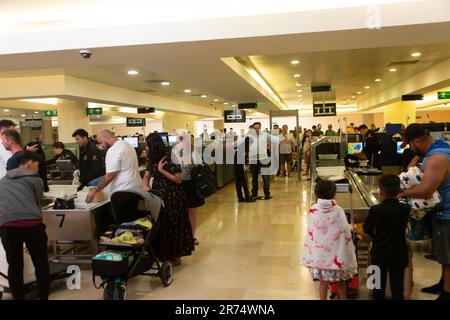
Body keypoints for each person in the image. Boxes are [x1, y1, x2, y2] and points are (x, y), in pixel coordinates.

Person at [401, 123, 450, 300]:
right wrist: (416, 155)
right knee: (444, 255)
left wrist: (402, 192)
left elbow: (425, 190)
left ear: (418, 140)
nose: (411, 149)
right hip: (441, 211)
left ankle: (447, 293)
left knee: (448, 256)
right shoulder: (438, 149)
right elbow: (410, 172)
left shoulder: (436, 158)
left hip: (447, 213)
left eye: (411, 145)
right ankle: (443, 283)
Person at [0, 151, 50, 300]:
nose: (37, 169)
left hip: (7, 225)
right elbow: (38, 203)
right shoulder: (36, 179)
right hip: (31, 224)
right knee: (41, 263)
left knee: (14, 266)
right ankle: (43, 297)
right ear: (29, 164)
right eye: (37, 166)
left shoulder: (2, 180)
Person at [142, 133, 194, 265]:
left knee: (174, 225)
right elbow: (147, 175)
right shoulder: (152, 157)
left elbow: (178, 179)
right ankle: (164, 254)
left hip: (173, 195)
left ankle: (176, 256)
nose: (146, 148)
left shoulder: (171, 155)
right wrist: (145, 185)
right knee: (162, 225)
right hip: (158, 195)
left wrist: (161, 171)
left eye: (148, 145)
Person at [301, 179, 358, 300]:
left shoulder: (313, 210)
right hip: (338, 256)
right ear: (333, 193)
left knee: (323, 283)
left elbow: (312, 234)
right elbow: (345, 232)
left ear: (317, 193)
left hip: (321, 258)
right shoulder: (338, 210)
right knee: (341, 283)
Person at [363, 174, 410, 300]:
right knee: (397, 289)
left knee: (377, 287)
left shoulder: (375, 209)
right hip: (399, 253)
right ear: (399, 190)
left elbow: (366, 229)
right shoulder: (406, 209)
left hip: (379, 254)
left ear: (381, 191)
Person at [86, 130, 142, 203]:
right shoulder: (127, 145)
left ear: (106, 137)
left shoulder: (114, 149)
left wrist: (95, 190)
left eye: (101, 142)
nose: (101, 146)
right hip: (135, 189)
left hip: (122, 192)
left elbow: (110, 175)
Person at [179, 135, 205, 246]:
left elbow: (199, 168)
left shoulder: (195, 154)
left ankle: (192, 236)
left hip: (191, 185)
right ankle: (183, 235)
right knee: (182, 212)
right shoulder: (176, 154)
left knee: (192, 211)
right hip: (179, 184)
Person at [248, 122, 272, 200]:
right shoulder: (249, 136)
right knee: (254, 178)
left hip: (264, 159)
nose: (257, 130)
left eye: (258, 128)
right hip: (253, 160)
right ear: (253, 128)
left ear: (260, 128)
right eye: (255, 128)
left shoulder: (265, 135)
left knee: (265, 178)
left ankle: (267, 194)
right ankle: (254, 193)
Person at [233, 135, 254, 203]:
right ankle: (247, 197)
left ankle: (240, 197)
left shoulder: (240, 145)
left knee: (238, 182)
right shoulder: (245, 145)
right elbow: (246, 156)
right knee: (245, 181)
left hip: (236, 164)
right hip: (240, 165)